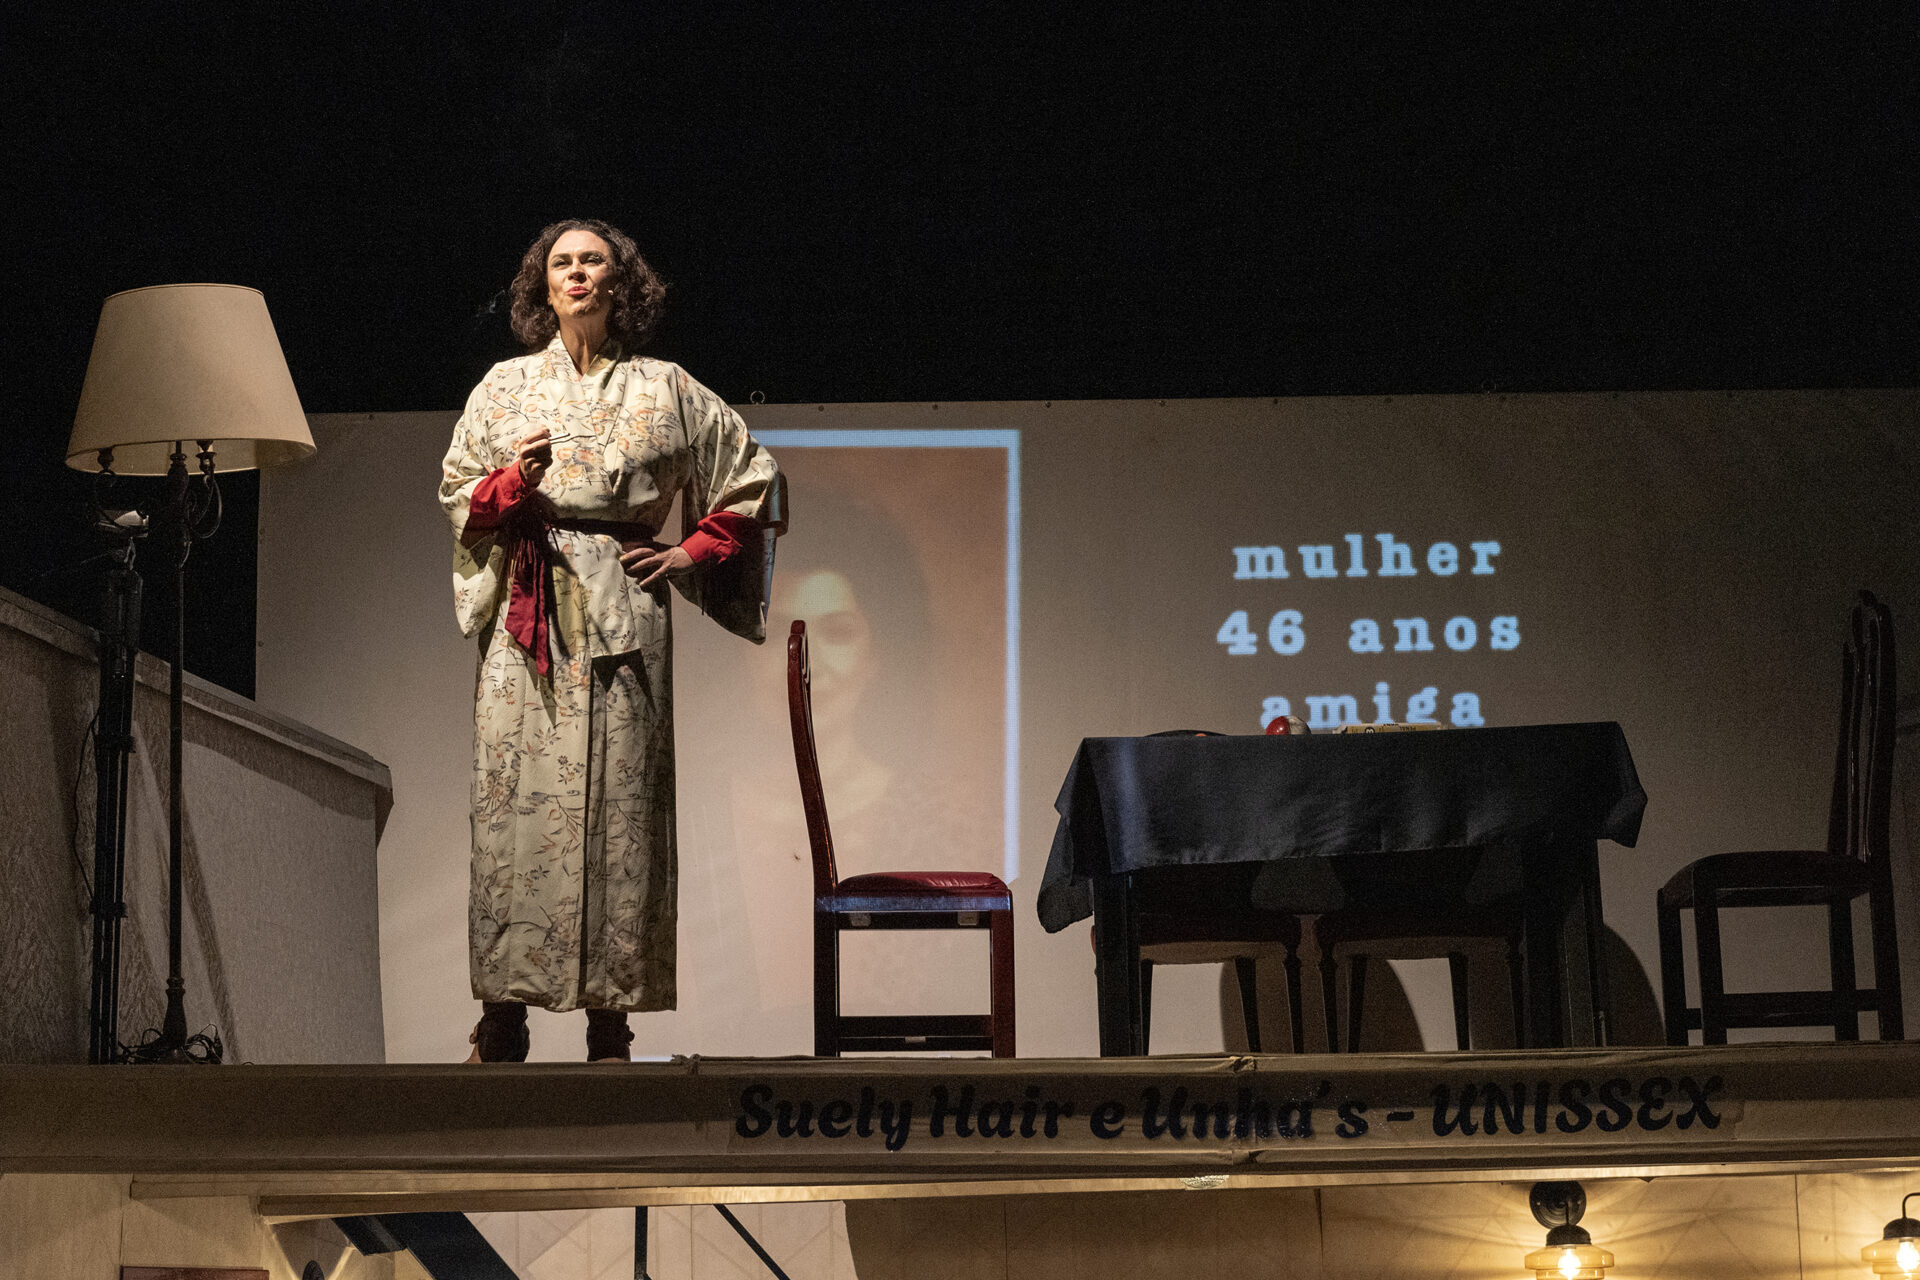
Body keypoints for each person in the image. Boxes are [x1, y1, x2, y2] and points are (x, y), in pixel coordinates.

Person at [439, 218, 785, 1062]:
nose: (577, 273)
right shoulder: (505, 385)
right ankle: (503, 1015)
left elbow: (753, 477)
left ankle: (610, 1022)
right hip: (529, 616)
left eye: (592, 260)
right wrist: (514, 479)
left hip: (624, 610)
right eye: (562, 262)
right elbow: (459, 495)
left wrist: (688, 552)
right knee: (513, 809)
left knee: (621, 808)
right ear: (543, 285)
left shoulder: (666, 387)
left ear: (620, 280)